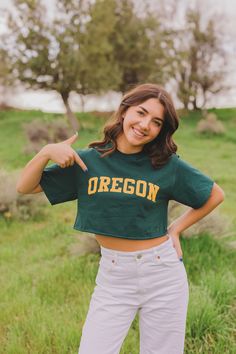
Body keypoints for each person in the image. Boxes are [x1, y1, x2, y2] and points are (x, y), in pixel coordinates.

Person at [16, 83, 225, 354]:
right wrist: (46, 152)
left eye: (156, 122)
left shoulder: (166, 164)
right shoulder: (88, 161)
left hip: (162, 273)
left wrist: (175, 229)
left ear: (161, 130)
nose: (145, 124)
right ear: (124, 111)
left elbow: (214, 194)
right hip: (113, 277)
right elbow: (25, 187)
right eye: (141, 112)